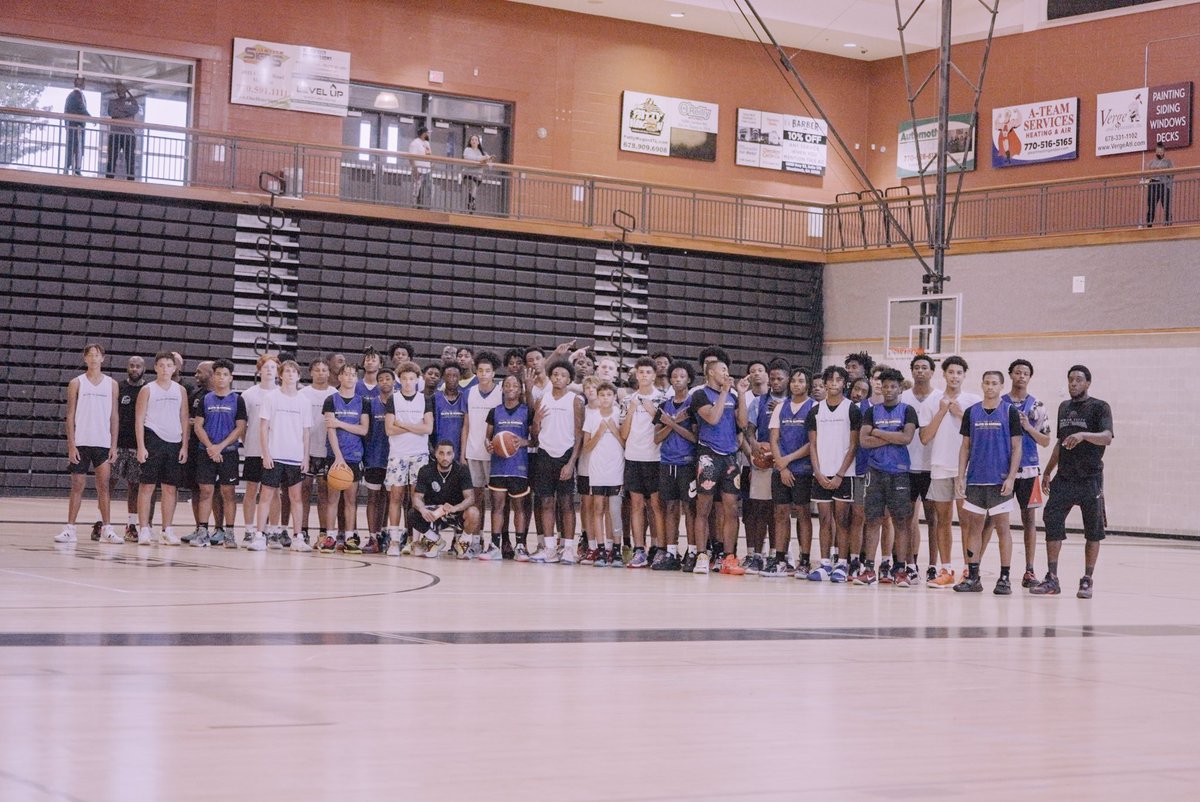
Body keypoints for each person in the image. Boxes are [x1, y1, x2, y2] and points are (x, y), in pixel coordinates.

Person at [1031, 366, 1114, 599]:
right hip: (1065, 478)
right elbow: (1059, 443)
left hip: (1090, 479)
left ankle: (1087, 579)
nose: (1073, 384)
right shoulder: (1064, 407)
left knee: (1093, 531)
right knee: (1052, 523)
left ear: (1088, 383)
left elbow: (1107, 437)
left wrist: (1084, 435)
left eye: (1078, 380)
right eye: (1070, 380)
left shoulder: (1100, 407)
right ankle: (1052, 578)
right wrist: (1047, 471)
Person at [953, 371, 1023, 594]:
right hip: (975, 480)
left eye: (995, 383)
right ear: (982, 385)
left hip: (999, 480)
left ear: (1001, 386)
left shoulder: (1010, 411)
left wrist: (1011, 477)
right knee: (974, 528)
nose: (990, 386)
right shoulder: (972, 412)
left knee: (1003, 529)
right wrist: (960, 476)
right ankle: (973, 577)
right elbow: (965, 447)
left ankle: (1004, 578)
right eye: (987, 383)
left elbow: (1017, 448)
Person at [919, 356, 980, 587]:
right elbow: (924, 438)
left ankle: (968, 570)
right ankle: (946, 569)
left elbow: (980, 433)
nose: (954, 376)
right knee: (942, 520)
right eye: (951, 372)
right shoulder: (931, 402)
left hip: (965, 469)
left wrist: (959, 413)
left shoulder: (974, 401)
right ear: (943, 374)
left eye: (959, 372)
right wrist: (942, 412)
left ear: (964, 376)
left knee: (967, 521)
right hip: (940, 467)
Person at [856, 368, 918, 586]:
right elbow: (864, 441)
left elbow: (907, 438)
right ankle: (869, 569)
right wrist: (894, 437)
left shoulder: (908, 411)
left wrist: (879, 433)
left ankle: (900, 570)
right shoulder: (871, 412)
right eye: (885, 386)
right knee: (873, 520)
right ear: (880, 387)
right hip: (875, 471)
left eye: (894, 386)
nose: (889, 390)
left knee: (901, 522)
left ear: (900, 388)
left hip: (899, 472)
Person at [993, 359, 1051, 587]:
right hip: (1002, 470)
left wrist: (1028, 427)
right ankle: (997, 569)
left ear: (1030, 377)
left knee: (1029, 520)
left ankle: (1029, 570)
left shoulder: (1037, 406)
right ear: (1010, 375)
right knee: (996, 520)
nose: (1022, 376)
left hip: (1029, 469)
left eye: (1026, 373)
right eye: (1018, 372)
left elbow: (1046, 441)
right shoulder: (1000, 403)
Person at [690, 358, 750, 575]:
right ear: (710, 373)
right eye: (722, 369)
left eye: (727, 369)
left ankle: (728, 557)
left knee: (731, 508)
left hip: (730, 456)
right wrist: (725, 392)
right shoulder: (700, 395)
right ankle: (702, 555)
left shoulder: (733, 396)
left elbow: (742, 423)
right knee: (703, 508)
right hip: (708, 455)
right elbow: (713, 418)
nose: (726, 373)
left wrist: (741, 394)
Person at [56, 344, 121, 544]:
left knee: (104, 486)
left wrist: (113, 445)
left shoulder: (111, 384)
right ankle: (70, 529)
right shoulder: (76, 383)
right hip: (82, 442)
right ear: (85, 359)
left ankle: (107, 529)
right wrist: (71, 445)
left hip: (102, 443)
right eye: (90, 355)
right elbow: (70, 415)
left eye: (97, 355)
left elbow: (114, 417)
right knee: (78, 485)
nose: (94, 358)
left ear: (103, 358)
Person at [805, 366, 861, 582]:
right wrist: (818, 472)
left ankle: (842, 563)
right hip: (821, 473)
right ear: (825, 383)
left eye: (839, 379)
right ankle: (825, 563)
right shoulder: (815, 410)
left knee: (842, 520)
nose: (834, 383)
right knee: (824, 520)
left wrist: (839, 474)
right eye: (830, 379)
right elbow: (813, 444)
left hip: (844, 474)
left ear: (844, 383)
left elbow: (854, 445)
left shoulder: (852, 410)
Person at [251, 360, 310, 552]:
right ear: (280, 375)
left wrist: (305, 457)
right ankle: (260, 535)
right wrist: (265, 453)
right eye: (287, 371)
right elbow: (263, 428)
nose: (290, 374)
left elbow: (306, 431)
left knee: (296, 497)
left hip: (295, 456)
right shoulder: (271, 398)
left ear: (299, 376)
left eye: (294, 371)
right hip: (274, 455)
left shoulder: (304, 401)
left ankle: (297, 537)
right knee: (266, 495)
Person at [529, 362, 583, 562]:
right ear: (551, 377)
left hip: (565, 455)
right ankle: (549, 548)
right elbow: (534, 435)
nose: (558, 377)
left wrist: (571, 463)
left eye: (563, 375)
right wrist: (535, 421)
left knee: (567, 503)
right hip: (544, 454)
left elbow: (579, 435)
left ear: (569, 379)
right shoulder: (542, 399)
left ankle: (568, 548)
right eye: (555, 374)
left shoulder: (575, 401)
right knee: (545, 502)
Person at [134, 352, 189, 545]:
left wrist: (184, 446)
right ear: (156, 367)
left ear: (175, 368)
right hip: (153, 439)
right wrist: (141, 446)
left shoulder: (180, 390)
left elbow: (184, 418)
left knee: (170, 488)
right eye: (161, 365)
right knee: (147, 486)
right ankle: (143, 529)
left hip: (174, 441)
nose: (165, 369)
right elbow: (139, 419)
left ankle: (167, 529)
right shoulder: (147, 390)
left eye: (169, 365)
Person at [765, 366, 815, 577]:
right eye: (794, 380)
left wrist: (789, 460)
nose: (796, 384)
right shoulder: (780, 407)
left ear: (808, 385)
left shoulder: (815, 407)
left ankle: (804, 560)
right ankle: (780, 559)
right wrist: (782, 465)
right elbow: (773, 439)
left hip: (803, 469)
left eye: (801, 381)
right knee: (780, 513)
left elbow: (813, 442)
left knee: (803, 513)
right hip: (781, 469)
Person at [190, 359, 246, 548]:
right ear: (213, 377)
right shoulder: (206, 399)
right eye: (218, 374)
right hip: (206, 451)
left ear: (231, 377)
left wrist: (220, 447)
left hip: (228, 452)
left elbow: (240, 427)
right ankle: (203, 531)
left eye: (225, 374)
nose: (221, 378)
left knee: (228, 493)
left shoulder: (238, 399)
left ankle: (229, 534)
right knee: (206, 491)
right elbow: (198, 425)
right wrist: (210, 447)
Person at [385, 362, 434, 554]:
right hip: (398, 454)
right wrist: (416, 426)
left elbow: (428, 429)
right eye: (404, 379)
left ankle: (415, 541)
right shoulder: (393, 399)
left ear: (417, 380)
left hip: (419, 455)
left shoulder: (425, 399)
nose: (407, 382)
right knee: (396, 498)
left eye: (411, 379)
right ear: (399, 380)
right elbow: (389, 429)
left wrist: (402, 424)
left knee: (417, 499)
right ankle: (394, 541)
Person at [621, 357, 666, 568]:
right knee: (636, 505)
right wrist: (630, 411)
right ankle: (639, 549)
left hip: (655, 458)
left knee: (655, 505)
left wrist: (654, 412)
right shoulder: (628, 400)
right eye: (641, 372)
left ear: (654, 375)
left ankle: (659, 547)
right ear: (636, 375)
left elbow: (667, 427)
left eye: (649, 372)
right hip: (633, 457)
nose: (645, 375)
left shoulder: (663, 398)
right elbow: (623, 434)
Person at [901, 354, 941, 583]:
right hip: (906, 466)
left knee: (933, 519)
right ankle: (910, 563)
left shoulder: (939, 398)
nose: (920, 371)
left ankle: (933, 566)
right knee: (908, 519)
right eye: (916, 367)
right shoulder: (903, 397)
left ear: (932, 372)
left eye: (924, 367)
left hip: (930, 467)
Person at [484, 374, 532, 559]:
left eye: (515, 385)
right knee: (497, 506)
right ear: (502, 388)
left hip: (518, 467)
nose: (511, 387)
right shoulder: (494, 411)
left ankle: (520, 546)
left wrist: (524, 441)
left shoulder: (527, 411)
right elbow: (488, 437)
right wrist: (488, 444)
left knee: (519, 506)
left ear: (520, 390)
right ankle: (495, 545)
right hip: (498, 466)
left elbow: (534, 439)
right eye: (507, 385)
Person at [655, 362, 697, 571]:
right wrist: (673, 422)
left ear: (689, 379)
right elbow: (656, 438)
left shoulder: (693, 404)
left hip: (687, 463)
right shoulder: (663, 405)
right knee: (670, 507)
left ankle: (692, 551)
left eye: (682, 375)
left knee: (690, 508)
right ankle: (671, 551)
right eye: (674, 376)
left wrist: (671, 423)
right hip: (667, 462)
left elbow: (694, 437)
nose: (678, 379)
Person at [460, 352, 504, 552]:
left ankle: (497, 541)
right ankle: (477, 539)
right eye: (480, 370)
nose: (484, 374)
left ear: (494, 373)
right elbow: (466, 425)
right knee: (476, 498)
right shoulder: (469, 393)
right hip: (473, 451)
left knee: (496, 500)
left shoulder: (501, 392)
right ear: (475, 371)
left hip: (495, 454)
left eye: (487, 371)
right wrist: (463, 452)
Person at [325, 363, 370, 554]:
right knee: (332, 499)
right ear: (340, 377)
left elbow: (363, 429)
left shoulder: (363, 402)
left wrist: (339, 422)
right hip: (335, 457)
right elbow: (330, 430)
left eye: (353, 375)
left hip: (354, 456)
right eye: (346, 374)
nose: (350, 377)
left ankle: (350, 537)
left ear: (356, 379)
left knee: (351, 500)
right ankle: (330, 537)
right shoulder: (331, 400)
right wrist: (338, 457)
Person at [583, 381, 627, 566]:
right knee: (598, 508)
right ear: (597, 397)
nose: (605, 398)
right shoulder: (591, 417)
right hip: (597, 469)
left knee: (615, 510)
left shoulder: (619, 415)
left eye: (609, 395)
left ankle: (615, 549)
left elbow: (625, 443)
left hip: (616, 469)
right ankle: (601, 550)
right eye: (602, 395)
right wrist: (599, 433)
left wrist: (614, 431)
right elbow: (586, 447)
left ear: (614, 397)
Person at [410, 441, 481, 555]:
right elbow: (417, 497)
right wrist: (423, 510)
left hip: (455, 512)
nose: (445, 457)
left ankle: (463, 542)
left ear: (453, 455)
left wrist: (455, 508)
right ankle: (435, 540)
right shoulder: (426, 470)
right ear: (436, 454)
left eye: (448, 454)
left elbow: (470, 498)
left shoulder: (462, 470)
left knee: (474, 512)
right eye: (441, 453)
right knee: (413, 513)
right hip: (435, 514)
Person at [240, 354, 278, 546]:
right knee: (251, 490)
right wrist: (247, 443)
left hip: (276, 451)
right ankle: (248, 530)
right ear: (259, 370)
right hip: (254, 450)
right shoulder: (249, 395)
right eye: (266, 367)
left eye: (273, 367)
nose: (269, 370)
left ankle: (272, 531)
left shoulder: (283, 393)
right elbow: (242, 425)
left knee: (273, 491)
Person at [299, 359, 336, 546]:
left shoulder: (335, 394)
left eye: (324, 370)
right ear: (311, 372)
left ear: (329, 373)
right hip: (306, 451)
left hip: (326, 451)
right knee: (303, 491)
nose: (321, 373)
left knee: (324, 493)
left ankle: (323, 533)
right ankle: (302, 531)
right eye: (317, 370)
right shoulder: (302, 394)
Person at [111, 355, 146, 541]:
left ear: (144, 369)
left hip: (136, 446)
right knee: (109, 483)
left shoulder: (147, 389)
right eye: (131, 366)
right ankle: (102, 523)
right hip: (118, 445)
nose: (134, 369)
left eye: (138, 366)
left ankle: (131, 525)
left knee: (134, 487)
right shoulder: (119, 387)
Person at [365, 368, 395, 553]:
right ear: (377, 383)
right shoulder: (370, 404)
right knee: (373, 498)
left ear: (394, 382)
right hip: (374, 458)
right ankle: (372, 536)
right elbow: (366, 432)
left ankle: (388, 534)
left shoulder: (399, 403)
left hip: (394, 458)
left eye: (388, 378)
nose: (384, 382)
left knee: (392, 498)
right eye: (381, 379)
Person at [105, 82, 139, 180]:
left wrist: (119, 112)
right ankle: (109, 179)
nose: (120, 91)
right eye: (118, 89)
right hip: (115, 134)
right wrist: (126, 112)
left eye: (122, 89)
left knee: (130, 158)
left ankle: (131, 180)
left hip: (129, 134)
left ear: (125, 90)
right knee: (112, 158)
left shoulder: (131, 101)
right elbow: (111, 112)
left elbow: (135, 109)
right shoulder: (112, 102)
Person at [64, 77, 90, 176]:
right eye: (84, 83)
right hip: (76, 126)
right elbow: (81, 108)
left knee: (73, 147)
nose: (85, 85)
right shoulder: (76, 95)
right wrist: (90, 118)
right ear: (81, 84)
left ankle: (71, 168)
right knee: (77, 147)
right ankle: (75, 169)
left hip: (72, 125)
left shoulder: (72, 95)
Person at [462, 134, 492, 213]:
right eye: (472, 139)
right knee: (473, 186)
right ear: (470, 141)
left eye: (476, 140)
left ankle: (470, 202)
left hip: (478, 175)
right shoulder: (467, 149)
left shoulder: (482, 152)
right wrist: (480, 160)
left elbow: (489, 161)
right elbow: (468, 158)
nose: (474, 141)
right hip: (468, 174)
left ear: (478, 142)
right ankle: (472, 202)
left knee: (472, 188)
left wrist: (487, 159)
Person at [1146, 141, 1173, 227]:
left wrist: (1163, 171)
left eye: (1161, 151)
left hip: (1164, 185)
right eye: (1158, 151)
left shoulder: (1168, 162)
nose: (1159, 153)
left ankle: (1168, 224)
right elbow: (1147, 175)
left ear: (1164, 152)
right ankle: (1149, 225)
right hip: (1153, 185)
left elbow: (1172, 174)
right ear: (1155, 152)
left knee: (1166, 206)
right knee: (1151, 206)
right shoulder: (1151, 162)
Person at [409, 126, 432, 207]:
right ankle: (414, 206)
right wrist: (415, 169)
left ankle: (426, 206)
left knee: (429, 189)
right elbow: (411, 158)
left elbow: (429, 155)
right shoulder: (415, 143)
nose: (428, 135)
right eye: (427, 133)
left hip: (427, 170)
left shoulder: (427, 143)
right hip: (419, 169)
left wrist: (431, 164)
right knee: (417, 189)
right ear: (423, 134)